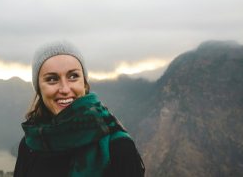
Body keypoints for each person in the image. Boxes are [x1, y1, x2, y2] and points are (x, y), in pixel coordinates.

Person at [14, 41, 145, 177]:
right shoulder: (30, 144)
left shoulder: (118, 147)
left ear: (84, 83)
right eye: (52, 79)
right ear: (39, 89)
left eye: (73, 76)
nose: (65, 89)